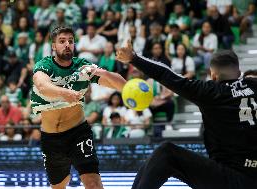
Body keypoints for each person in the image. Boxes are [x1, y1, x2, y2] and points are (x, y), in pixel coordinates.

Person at [116, 40, 257, 189]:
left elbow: (166, 74)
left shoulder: (211, 92)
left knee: (166, 153)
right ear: (238, 70)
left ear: (213, 74)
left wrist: (134, 58)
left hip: (230, 180)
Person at [31, 26, 126, 189]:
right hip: (51, 138)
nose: (67, 44)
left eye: (70, 41)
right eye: (62, 41)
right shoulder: (44, 65)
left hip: (78, 133)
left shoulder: (82, 66)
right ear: (54, 46)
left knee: (93, 183)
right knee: (58, 186)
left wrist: (102, 73)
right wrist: (65, 93)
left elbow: (122, 85)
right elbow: (42, 85)